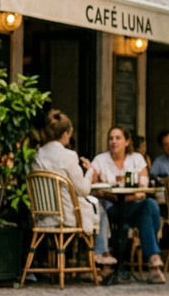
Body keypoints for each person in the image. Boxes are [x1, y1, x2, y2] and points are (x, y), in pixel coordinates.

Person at [32, 110, 113, 271]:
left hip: (42, 215)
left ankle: (93, 256)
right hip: (66, 215)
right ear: (65, 134)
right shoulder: (68, 155)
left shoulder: (37, 155)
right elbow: (82, 190)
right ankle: (96, 256)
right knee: (99, 211)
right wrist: (90, 171)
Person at [89, 126, 165, 283]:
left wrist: (134, 193)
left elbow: (143, 184)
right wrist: (92, 174)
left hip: (131, 206)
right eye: (111, 138)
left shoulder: (136, 159)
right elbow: (94, 185)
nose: (113, 141)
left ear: (127, 141)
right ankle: (153, 261)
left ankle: (153, 259)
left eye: (118, 138)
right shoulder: (100, 159)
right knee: (148, 207)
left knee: (149, 205)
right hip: (110, 209)